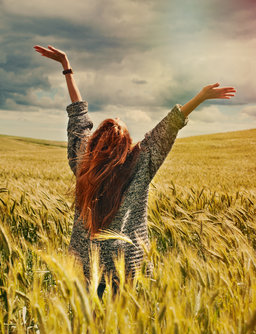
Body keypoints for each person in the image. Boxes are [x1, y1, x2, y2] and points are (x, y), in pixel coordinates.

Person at [34, 45, 236, 298]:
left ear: (95, 140)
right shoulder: (139, 163)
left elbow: (78, 115)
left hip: (85, 260)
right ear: (126, 144)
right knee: (125, 324)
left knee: (86, 323)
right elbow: (167, 128)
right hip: (126, 261)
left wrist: (66, 66)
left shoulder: (84, 161)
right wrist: (200, 97)